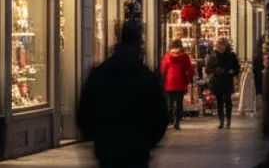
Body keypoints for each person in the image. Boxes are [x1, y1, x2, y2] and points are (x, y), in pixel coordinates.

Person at [78, 22, 169, 168]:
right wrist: (147, 142)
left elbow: (84, 112)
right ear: (139, 43)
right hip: (137, 150)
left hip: (107, 149)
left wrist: (98, 138)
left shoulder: (100, 73)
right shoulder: (147, 76)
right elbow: (161, 116)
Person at [206, 37, 241, 128]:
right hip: (217, 81)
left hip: (227, 80)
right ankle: (221, 121)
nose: (219, 47)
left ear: (226, 46)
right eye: (218, 45)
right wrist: (215, 71)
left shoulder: (231, 55)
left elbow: (236, 68)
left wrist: (232, 71)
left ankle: (228, 120)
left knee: (228, 100)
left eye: (221, 46)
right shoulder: (213, 56)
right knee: (219, 101)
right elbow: (208, 68)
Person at [160, 38, 194, 130]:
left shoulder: (167, 56)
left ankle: (168, 120)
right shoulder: (184, 56)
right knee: (179, 103)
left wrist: (163, 79)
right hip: (181, 81)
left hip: (170, 82)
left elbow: (163, 69)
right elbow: (189, 69)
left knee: (170, 103)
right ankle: (177, 122)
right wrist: (191, 78)